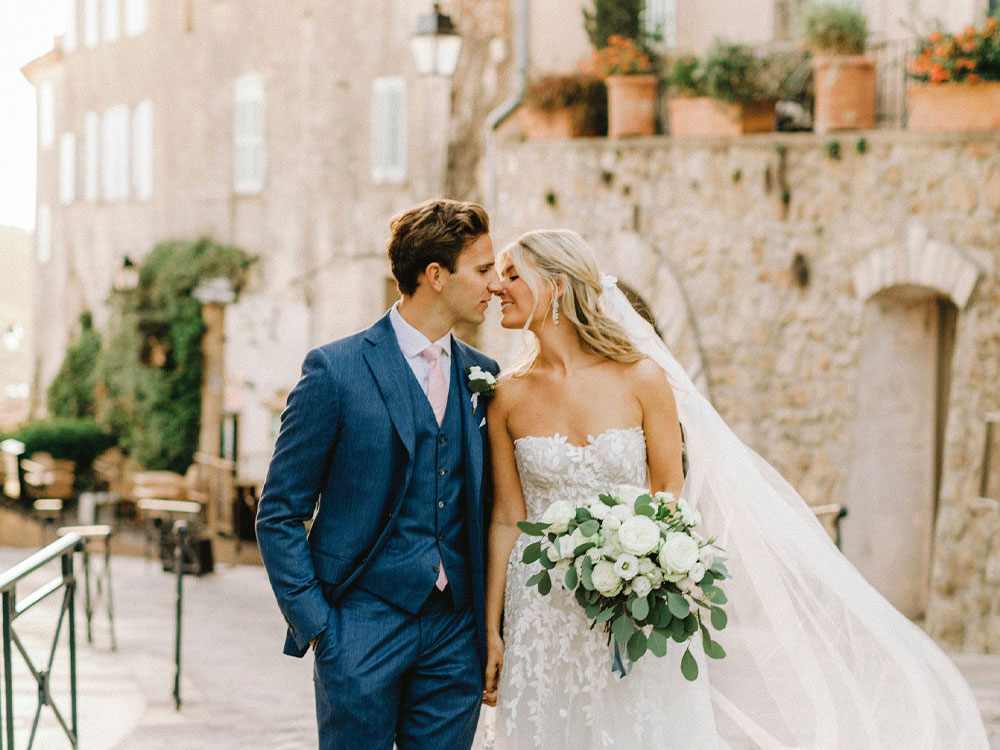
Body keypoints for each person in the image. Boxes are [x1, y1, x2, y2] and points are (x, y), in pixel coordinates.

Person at [482, 229, 989, 749]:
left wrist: (652, 569)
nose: (497, 287)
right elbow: (505, 517)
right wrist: (493, 630)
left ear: (557, 287)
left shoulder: (642, 378)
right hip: (541, 610)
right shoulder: (507, 396)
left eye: (513, 274)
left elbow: (668, 492)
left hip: (632, 600)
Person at [256, 199, 501, 750]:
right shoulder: (335, 371)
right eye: (483, 270)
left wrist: (487, 627)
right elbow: (278, 512)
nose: (496, 284)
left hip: (455, 634)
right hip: (359, 626)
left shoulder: (484, 375)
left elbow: (491, 509)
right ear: (436, 276)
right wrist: (320, 625)